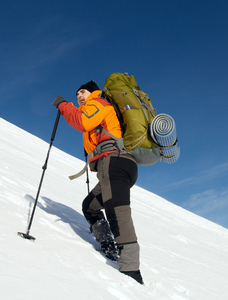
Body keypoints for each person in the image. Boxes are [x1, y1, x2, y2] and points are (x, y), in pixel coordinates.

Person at [52, 81, 143, 284]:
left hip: (114, 162)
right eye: (76, 95)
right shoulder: (95, 107)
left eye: (82, 92)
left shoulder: (98, 103)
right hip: (116, 165)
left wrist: (63, 105)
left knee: (117, 212)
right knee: (90, 206)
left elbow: (81, 122)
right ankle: (108, 244)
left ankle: (131, 272)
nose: (79, 96)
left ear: (93, 92)